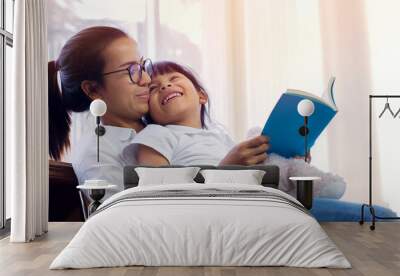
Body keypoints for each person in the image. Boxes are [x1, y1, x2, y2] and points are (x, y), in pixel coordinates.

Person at [123, 61, 345, 198]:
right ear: (148, 109)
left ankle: (296, 171)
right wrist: (227, 167)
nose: (164, 85)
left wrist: (287, 154)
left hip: (252, 192)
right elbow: (156, 189)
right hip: (222, 201)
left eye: (173, 79)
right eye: (153, 88)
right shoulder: (157, 134)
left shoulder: (221, 137)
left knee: (262, 144)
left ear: (201, 95)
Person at [48, 26, 153, 198]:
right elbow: (123, 220)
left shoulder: (161, 120)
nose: (147, 79)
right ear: (93, 89)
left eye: (143, 66)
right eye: (131, 71)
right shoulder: (96, 157)